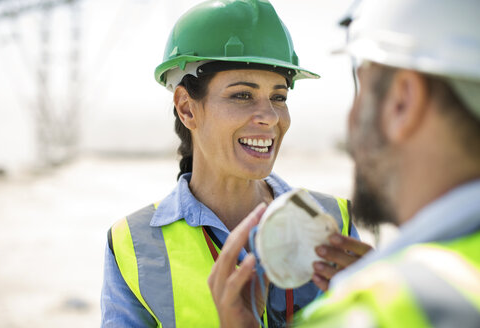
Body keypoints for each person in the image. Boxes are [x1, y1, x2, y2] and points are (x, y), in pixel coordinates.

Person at [208, 0, 480, 326]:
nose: (350, 121)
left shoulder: (364, 314)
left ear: (402, 101)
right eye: (241, 95)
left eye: (361, 90)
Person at [100, 1, 367, 327]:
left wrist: (380, 301)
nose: (270, 117)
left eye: (279, 97)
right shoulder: (135, 245)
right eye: (242, 95)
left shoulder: (332, 221)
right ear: (186, 108)